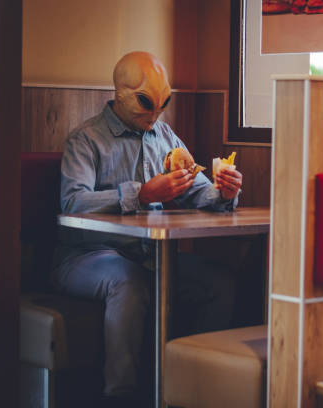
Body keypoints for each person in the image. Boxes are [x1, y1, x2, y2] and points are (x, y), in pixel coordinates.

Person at [52, 51, 243, 408]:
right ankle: (119, 397)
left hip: (150, 255)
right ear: (120, 93)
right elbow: (72, 203)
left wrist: (224, 192)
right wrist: (140, 194)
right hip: (87, 256)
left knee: (219, 283)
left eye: (162, 105)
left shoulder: (164, 136)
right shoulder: (86, 139)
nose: (154, 116)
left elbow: (196, 191)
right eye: (145, 104)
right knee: (128, 281)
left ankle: (190, 387)